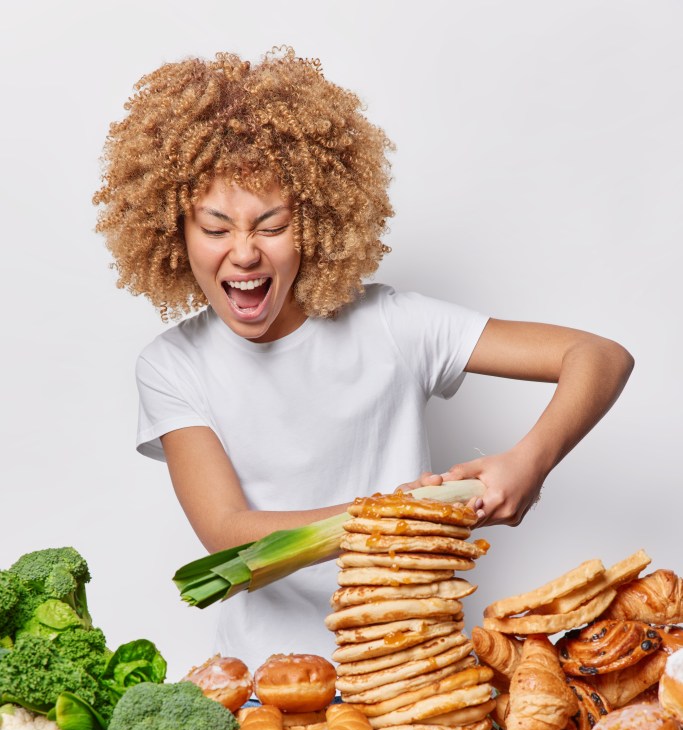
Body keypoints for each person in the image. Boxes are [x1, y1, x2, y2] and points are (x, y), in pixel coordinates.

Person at [93, 47, 634, 669]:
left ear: (318, 223)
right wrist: (401, 515)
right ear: (171, 232)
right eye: (215, 229)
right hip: (267, 685)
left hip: (419, 667)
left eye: (272, 225)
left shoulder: (394, 325)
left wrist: (529, 460)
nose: (243, 253)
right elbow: (226, 530)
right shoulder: (173, 365)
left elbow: (597, 355)